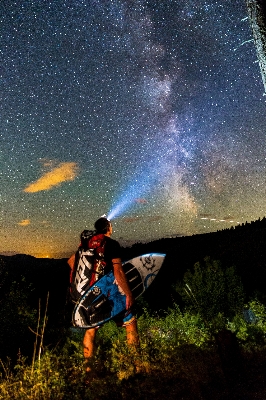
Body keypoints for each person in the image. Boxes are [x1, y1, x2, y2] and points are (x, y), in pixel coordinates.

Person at [67, 217, 139, 377]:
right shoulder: (111, 244)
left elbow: (71, 261)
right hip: (108, 294)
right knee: (131, 323)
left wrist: (87, 284)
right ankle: (137, 367)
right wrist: (128, 294)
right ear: (108, 228)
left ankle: (89, 375)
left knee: (90, 331)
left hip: (90, 295)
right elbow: (118, 272)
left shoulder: (86, 244)